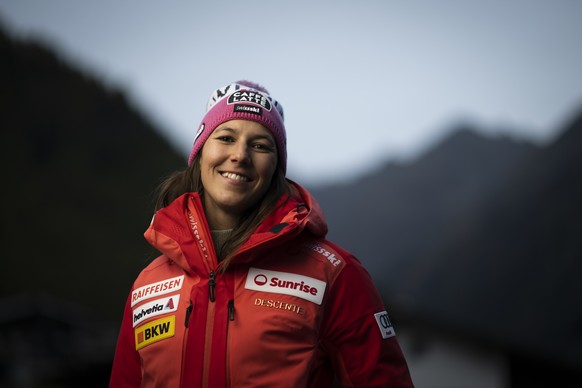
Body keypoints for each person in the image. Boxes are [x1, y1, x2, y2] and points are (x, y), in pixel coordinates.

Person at [109, 81, 414, 387]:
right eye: (226, 137)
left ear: (275, 168)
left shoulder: (333, 274)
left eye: (260, 145)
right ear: (201, 153)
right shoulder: (148, 283)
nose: (240, 155)